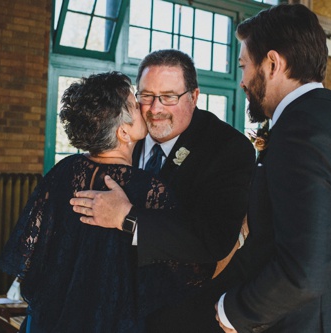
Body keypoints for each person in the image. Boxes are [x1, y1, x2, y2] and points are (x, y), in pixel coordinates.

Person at [151, 5, 331, 332]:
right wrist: (196, 309)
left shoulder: (298, 134)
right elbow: (275, 246)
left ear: (273, 64)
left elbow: (302, 272)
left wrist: (231, 311)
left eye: (245, 66)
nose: (243, 81)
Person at [0, 71, 209, 332]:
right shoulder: (149, 188)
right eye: (134, 104)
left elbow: (27, 252)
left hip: (53, 318)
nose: (144, 108)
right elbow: (187, 272)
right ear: (123, 132)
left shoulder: (62, 171)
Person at [71, 50, 255, 271]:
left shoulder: (228, 148)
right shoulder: (127, 131)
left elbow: (214, 240)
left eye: (169, 97)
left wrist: (128, 218)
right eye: (146, 96)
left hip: (183, 296)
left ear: (194, 97)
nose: (155, 109)